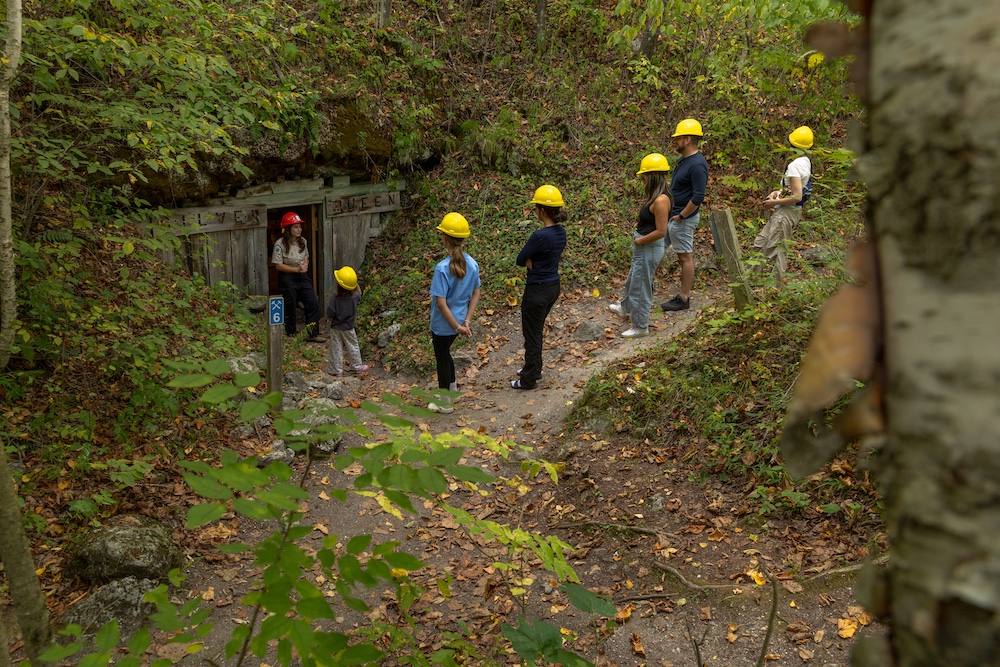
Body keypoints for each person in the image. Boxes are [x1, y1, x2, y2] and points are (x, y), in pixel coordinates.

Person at [609, 154, 672, 338]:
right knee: (633, 280)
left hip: (648, 247)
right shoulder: (657, 196)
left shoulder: (661, 200)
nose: (642, 179)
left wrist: (639, 241)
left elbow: (661, 231)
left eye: (644, 175)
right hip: (645, 246)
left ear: (652, 176)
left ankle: (640, 326)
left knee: (641, 287)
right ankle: (625, 308)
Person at [512, 185, 568, 389]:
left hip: (537, 289)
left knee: (532, 334)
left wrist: (530, 261)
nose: (534, 210)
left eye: (536, 207)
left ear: (542, 210)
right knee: (536, 331)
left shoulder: (540, 236)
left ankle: (529, 379)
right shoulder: (560, 232)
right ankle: (533, 368)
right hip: (553, 286)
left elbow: (520, 259)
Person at [428, 212, 481, 414]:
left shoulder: (442, 269)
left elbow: (441, 303)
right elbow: (476, 293)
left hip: (443, 324)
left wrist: (456, 327)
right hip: (458, 321)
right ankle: (450, 391)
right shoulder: (472, 264)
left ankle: (445, 403)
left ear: (444, 238)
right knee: (446, 355)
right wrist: (465, 321)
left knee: (442, 359)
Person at [661, 118, 709, 312]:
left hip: (682, 219)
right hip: (672, 215)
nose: (675, 141)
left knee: (684, 257)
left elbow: (698, 196)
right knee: (656, 251)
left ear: (687, 139)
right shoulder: (685, 160)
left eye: (678, 138)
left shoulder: (697, 164)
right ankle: (644, 289)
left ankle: (684, 298)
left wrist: (681, 216)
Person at [754, 125, 814, 276]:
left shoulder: (795, 166)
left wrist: (774, 202)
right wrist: (777, 193)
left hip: (785, 213)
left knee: (777, 250)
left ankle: (775, 288)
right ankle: (750, 278)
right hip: (786, 212)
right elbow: (794, 190)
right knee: (761, 243)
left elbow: (797, 196)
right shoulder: (806, 162)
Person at [271, 211, 324, 342]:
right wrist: (295, 269)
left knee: (312, 303)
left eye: (300, 226)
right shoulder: (280, 244)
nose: (299, 229)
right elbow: (278, 265)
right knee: (289, 305)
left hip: (302, 276)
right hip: (287, 277)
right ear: (289, 229)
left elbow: (306, 258)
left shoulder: (303, 242)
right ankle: (291, 334)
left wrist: (305, 266)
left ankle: (313, 333)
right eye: (295, 227)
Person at [325, 266, 369, 377]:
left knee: (336, 348)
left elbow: (330, 314)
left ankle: (337, 370)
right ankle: (357, 367)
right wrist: (355, 283)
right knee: (353, 346)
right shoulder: (354, 297)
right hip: (349, 327)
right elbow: (359, 292)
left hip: (336, 328)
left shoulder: (334, 300)